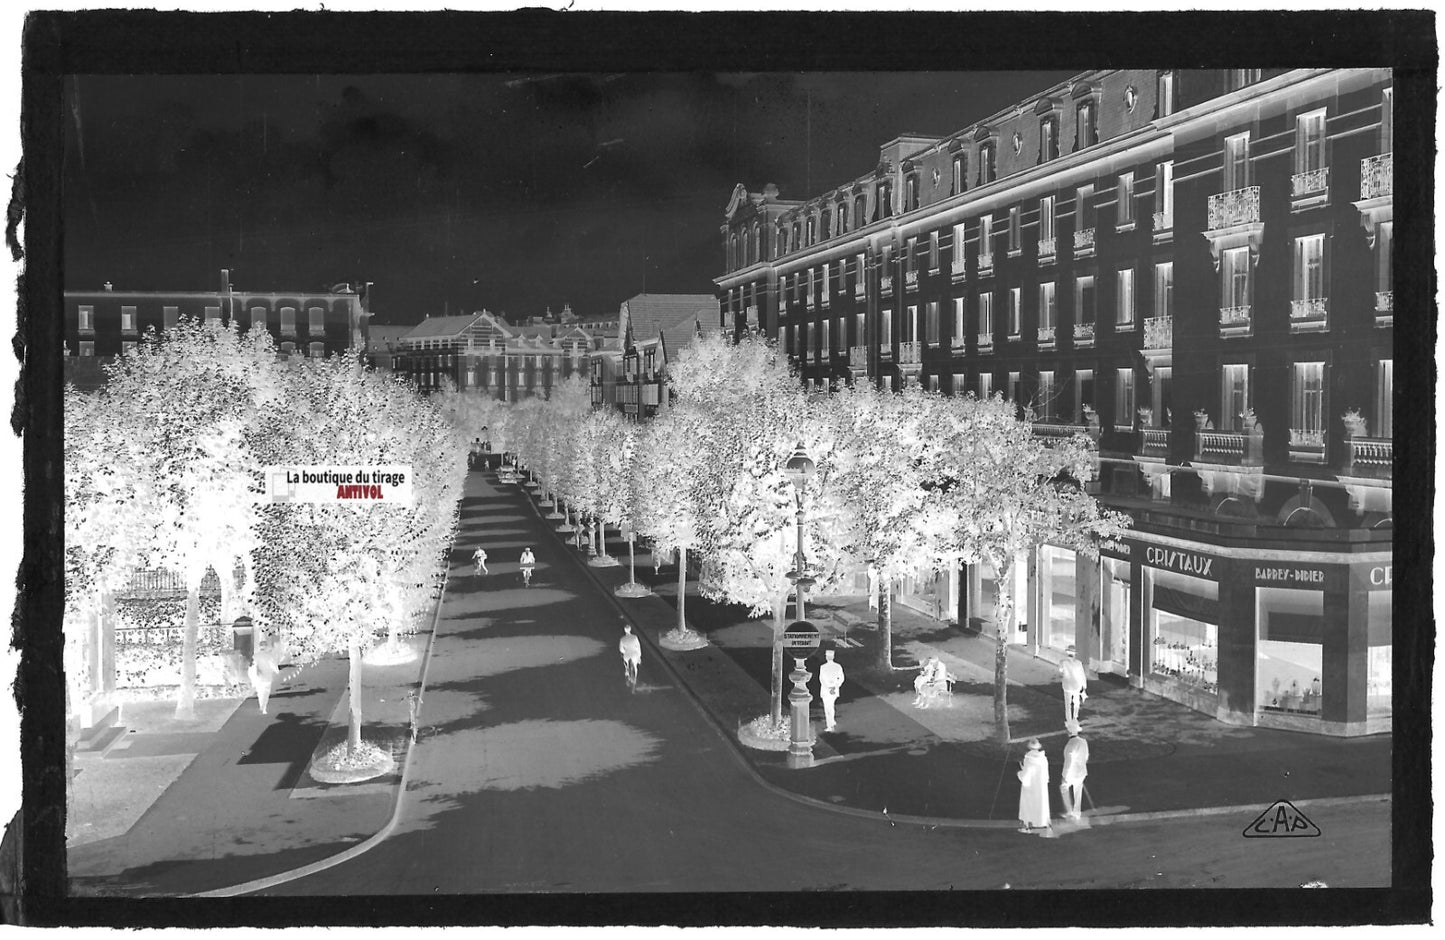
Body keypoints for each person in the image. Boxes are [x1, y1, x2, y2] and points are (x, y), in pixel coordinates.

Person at [1017, 738, 1052, 833]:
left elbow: (1026, 775)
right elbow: (1046, 774)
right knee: (1041, 804)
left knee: (1029, 806)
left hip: (1030, 787)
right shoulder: (1043, 758)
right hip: (1041, 786)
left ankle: (1028, 825)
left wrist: (1019, 773)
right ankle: (1044, 822)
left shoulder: (1028, 759)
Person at [1060, 722, 1090, 821]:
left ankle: (1069, 811)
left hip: (1071, 773)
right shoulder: (1083, 742)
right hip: (1081, 771)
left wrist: (1064, 775)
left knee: (1064, 788)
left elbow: (1069, 762)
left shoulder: (1070, 745)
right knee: (1078, 791)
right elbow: (1086, 756)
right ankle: (1077, 813)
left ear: (1068, 732)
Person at [247, 636, 281, 715]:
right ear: (266, 647)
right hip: (267, 677)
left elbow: (251, 667)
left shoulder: (255, 656)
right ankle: (264, 707)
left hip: (258, 677)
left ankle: (261, 705)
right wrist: (277, 671)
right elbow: (273, 665)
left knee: (260, 692)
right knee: (266, 692)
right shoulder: (269, 656)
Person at [1059, 645, 1088, 726]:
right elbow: (1082, 675)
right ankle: (1075, 718)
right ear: (1074, 654)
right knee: (1076, 703)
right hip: (1076, 685)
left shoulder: (1062, 662)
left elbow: (1060, 670)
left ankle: (1069, 720)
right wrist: (1084, 686)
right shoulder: (1078, 663)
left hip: (1067, 685)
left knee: (1067, 704)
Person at [818, 649, 845, 732]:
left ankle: (830, 725)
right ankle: (832, 721)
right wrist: (835, 686)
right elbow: (841, 679)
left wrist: (828, 687)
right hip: (834, 689)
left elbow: (821, 679)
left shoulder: (823, 667)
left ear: (826, 657)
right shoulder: (838, 666)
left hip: (826, 690)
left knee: (828, 707)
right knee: (831, 705)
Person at [619, 624, 642, 690]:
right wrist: (639, 656)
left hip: (627, 655)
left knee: (626, 665)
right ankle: (635, 679)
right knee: (635, 666)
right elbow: (638, 647)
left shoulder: (622, 639)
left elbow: (621, 649)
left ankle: (627, 673)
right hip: (634, 654)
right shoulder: (635, 637)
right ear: (630, 629)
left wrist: (624, 651)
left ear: (624, 630)